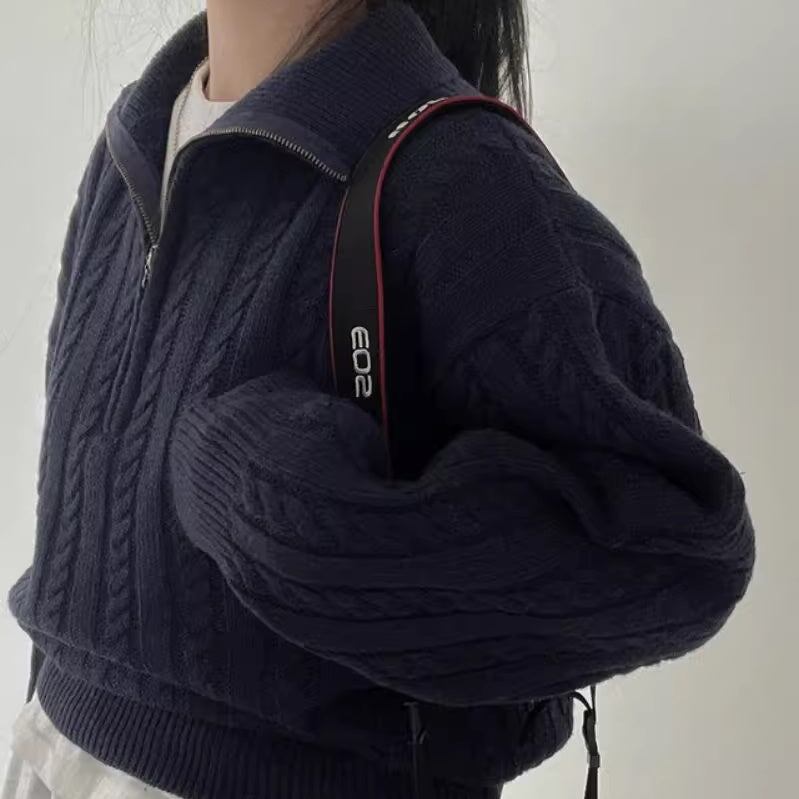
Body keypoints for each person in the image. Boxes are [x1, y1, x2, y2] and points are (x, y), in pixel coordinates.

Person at [2, 1, 755, 798]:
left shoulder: (463, 176)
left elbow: (672, 551)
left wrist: (298, 519)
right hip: (50, 760)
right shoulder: (136, 136)